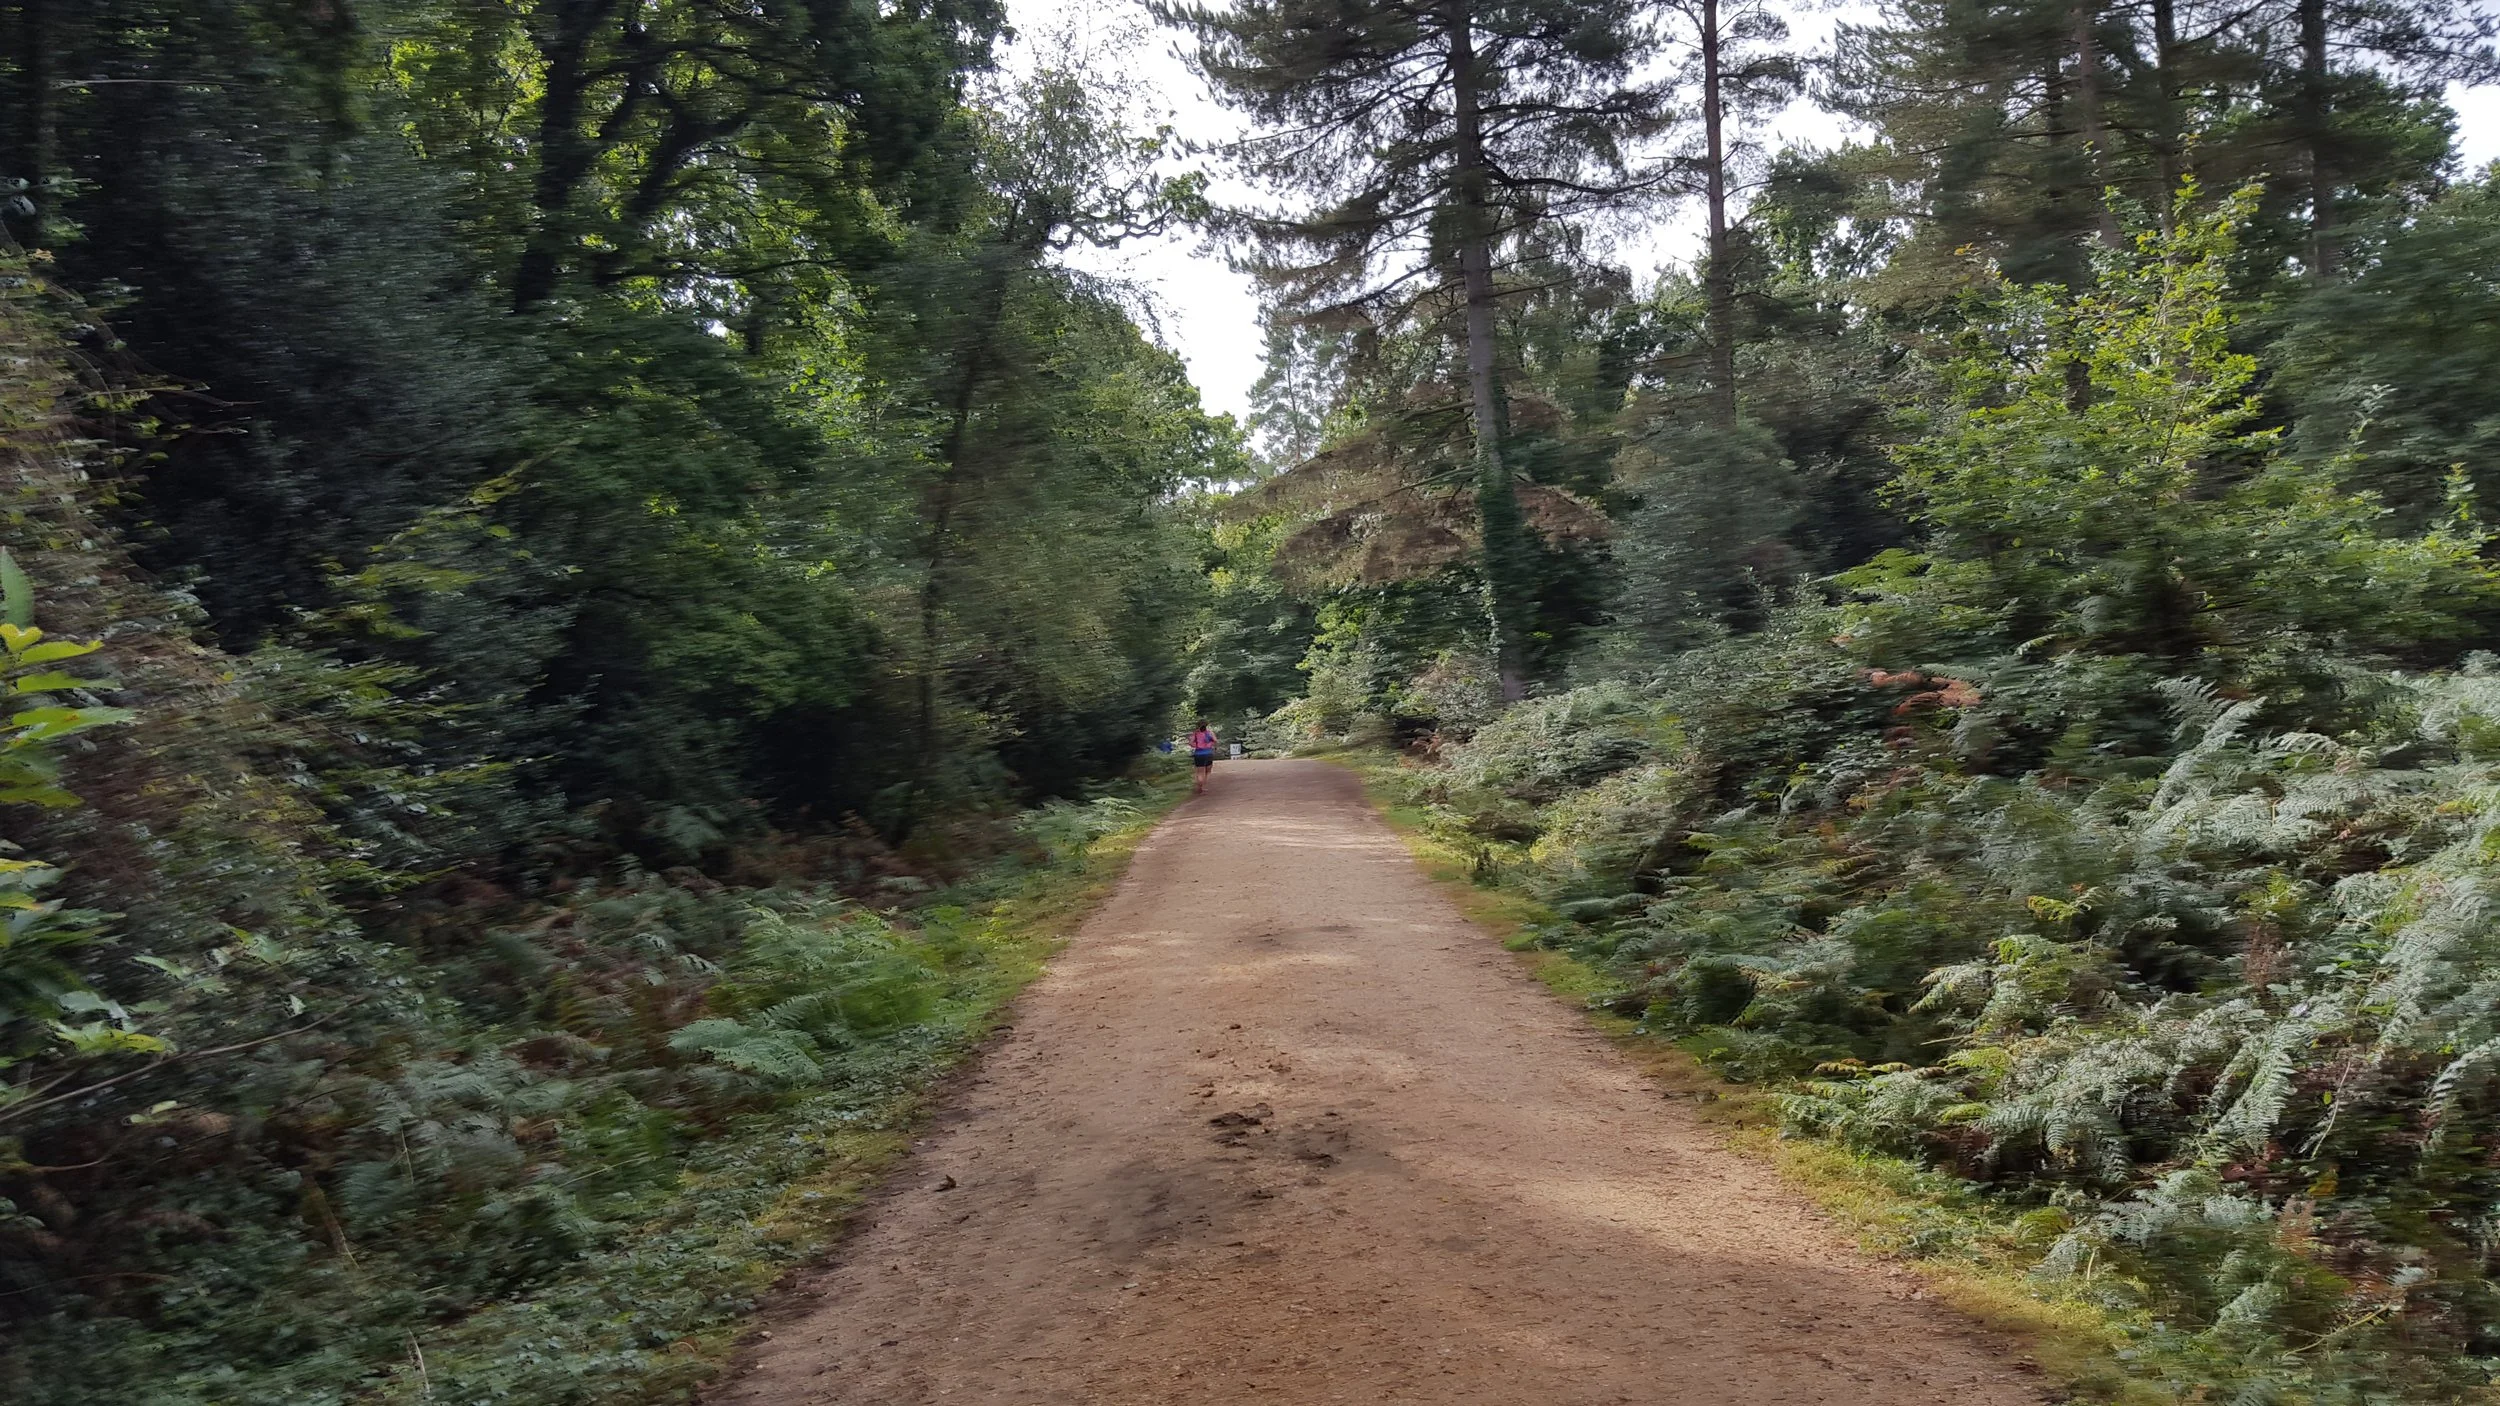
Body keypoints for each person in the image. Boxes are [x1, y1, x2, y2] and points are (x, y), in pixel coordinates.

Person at [1188, 719, 1218, 795]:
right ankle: (1202, 786)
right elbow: (1215, 740)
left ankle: (1200, 787)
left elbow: (1190, 743)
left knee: (1200, 772)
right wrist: (1210, 745)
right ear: (1206, 725)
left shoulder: (1195, 734)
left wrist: (1197, 746)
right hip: (1208, 753)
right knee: (1208, 771)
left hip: (1199, 754)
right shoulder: (1210, 733)